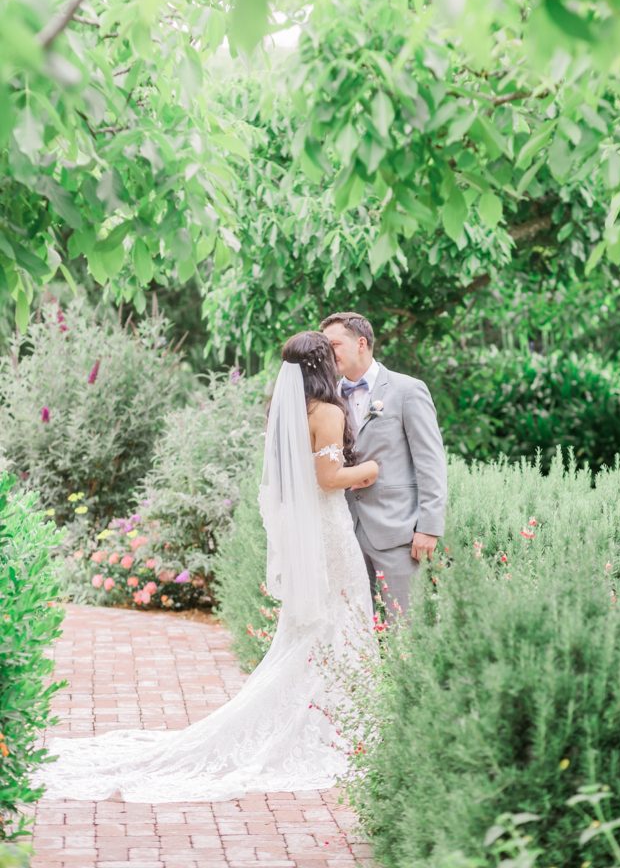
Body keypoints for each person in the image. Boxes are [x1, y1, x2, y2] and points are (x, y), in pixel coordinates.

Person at [34, 331, 379, 803]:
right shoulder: (330, 411)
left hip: (312, 532)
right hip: (330, 533)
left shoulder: (290, 413)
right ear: (323, 365)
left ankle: (328, 715)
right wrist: (370, 471)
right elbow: (327, 479)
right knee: (342, 619)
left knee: (313, 630)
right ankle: (341, 722)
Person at [321, 312, 447, 617]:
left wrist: (429, 527)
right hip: (345, 531)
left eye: (334, 344)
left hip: (398, 532)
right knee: (356, 629)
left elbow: (431, 462)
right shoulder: (327, 399)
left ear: (361, 343)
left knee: (403, 627)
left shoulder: (407, 390)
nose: (328, 353)